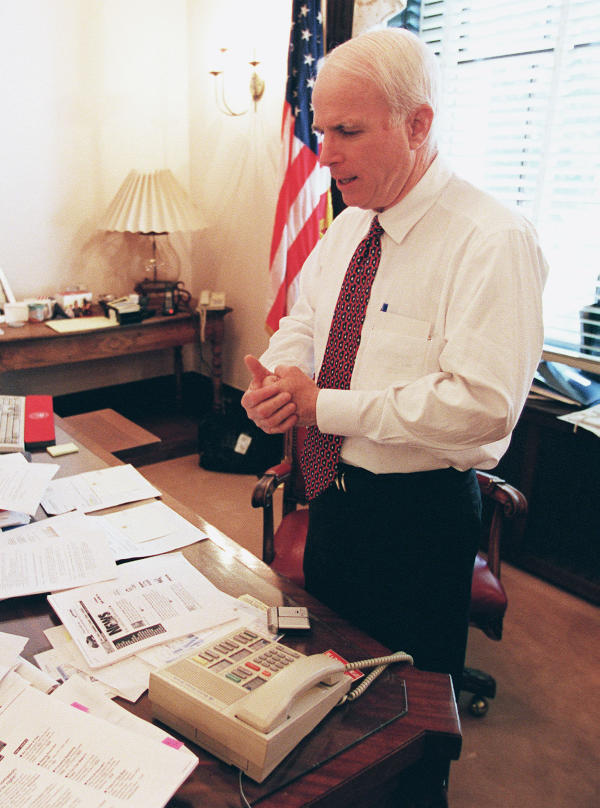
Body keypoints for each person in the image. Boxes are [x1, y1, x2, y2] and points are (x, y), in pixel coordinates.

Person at [241, 28, 547, 692]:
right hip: (331, 495)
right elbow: (305, 321)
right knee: (331, 681)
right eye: (320, 132)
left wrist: (321, 404)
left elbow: (485, 407)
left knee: (409, 707)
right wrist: (279, 380)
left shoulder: (492, 240)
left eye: (347, 131)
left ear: (418, 125)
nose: (325, 155)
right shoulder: (351, 222)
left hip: (417, 515)